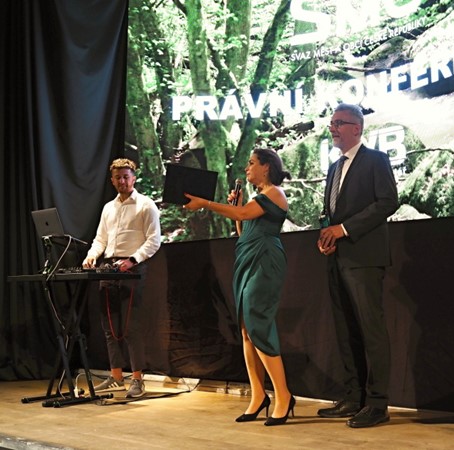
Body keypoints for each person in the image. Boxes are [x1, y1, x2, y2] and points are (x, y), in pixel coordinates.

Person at [183, 148, 295, 426]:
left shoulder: (275, 193)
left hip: (265, 260)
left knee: (258, 324)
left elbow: (244, 214)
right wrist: (238, 209)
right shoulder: (259, 198)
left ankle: (283, 395)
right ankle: (258, 395)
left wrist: (206, 203)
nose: (247, 168)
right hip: (247, 257)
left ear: (267, 166)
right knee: (246, 330)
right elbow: (243, 228)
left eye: (252, 163)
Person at [317, 103, 399, 428]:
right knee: (345, 330)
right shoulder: (333, 168)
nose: (333, 128)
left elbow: (388, 201)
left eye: (339, 122)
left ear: (357, 127)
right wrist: (327, 235)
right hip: (337, 258)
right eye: (331, 123)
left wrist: (345, 229)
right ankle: (354, 398)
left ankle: (377, 404)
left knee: (371, 331)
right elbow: (331, 213)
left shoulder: (376, 160)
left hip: (365, 259)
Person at [82, 158, 161, 398]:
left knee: (130, 326)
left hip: (132, 268)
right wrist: (91, 255)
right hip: (108, 267)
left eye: (126, 177)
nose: (122, 181)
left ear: (133, 178)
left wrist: (132, 260)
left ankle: (137, 379)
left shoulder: (146, 205)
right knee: (109, 326)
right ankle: (116, 377)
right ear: (112, 180)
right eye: (118, 177)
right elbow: (100, 239)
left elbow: (154, 240)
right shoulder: (109, 207)